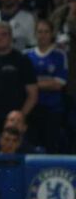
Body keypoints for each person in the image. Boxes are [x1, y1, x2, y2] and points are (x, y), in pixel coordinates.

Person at [24, 19, 67, 153]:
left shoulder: (59, 55)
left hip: (52, 109)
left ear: (51, 34)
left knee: (51, 146)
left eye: (46, 32)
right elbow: (21, 82)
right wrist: (45, 84)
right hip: (31, 109)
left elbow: (58, 84)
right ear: (35, 34)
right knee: (32, 145)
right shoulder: (26, 55)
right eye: (40, 32)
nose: (42, 35)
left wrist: (32, 84)